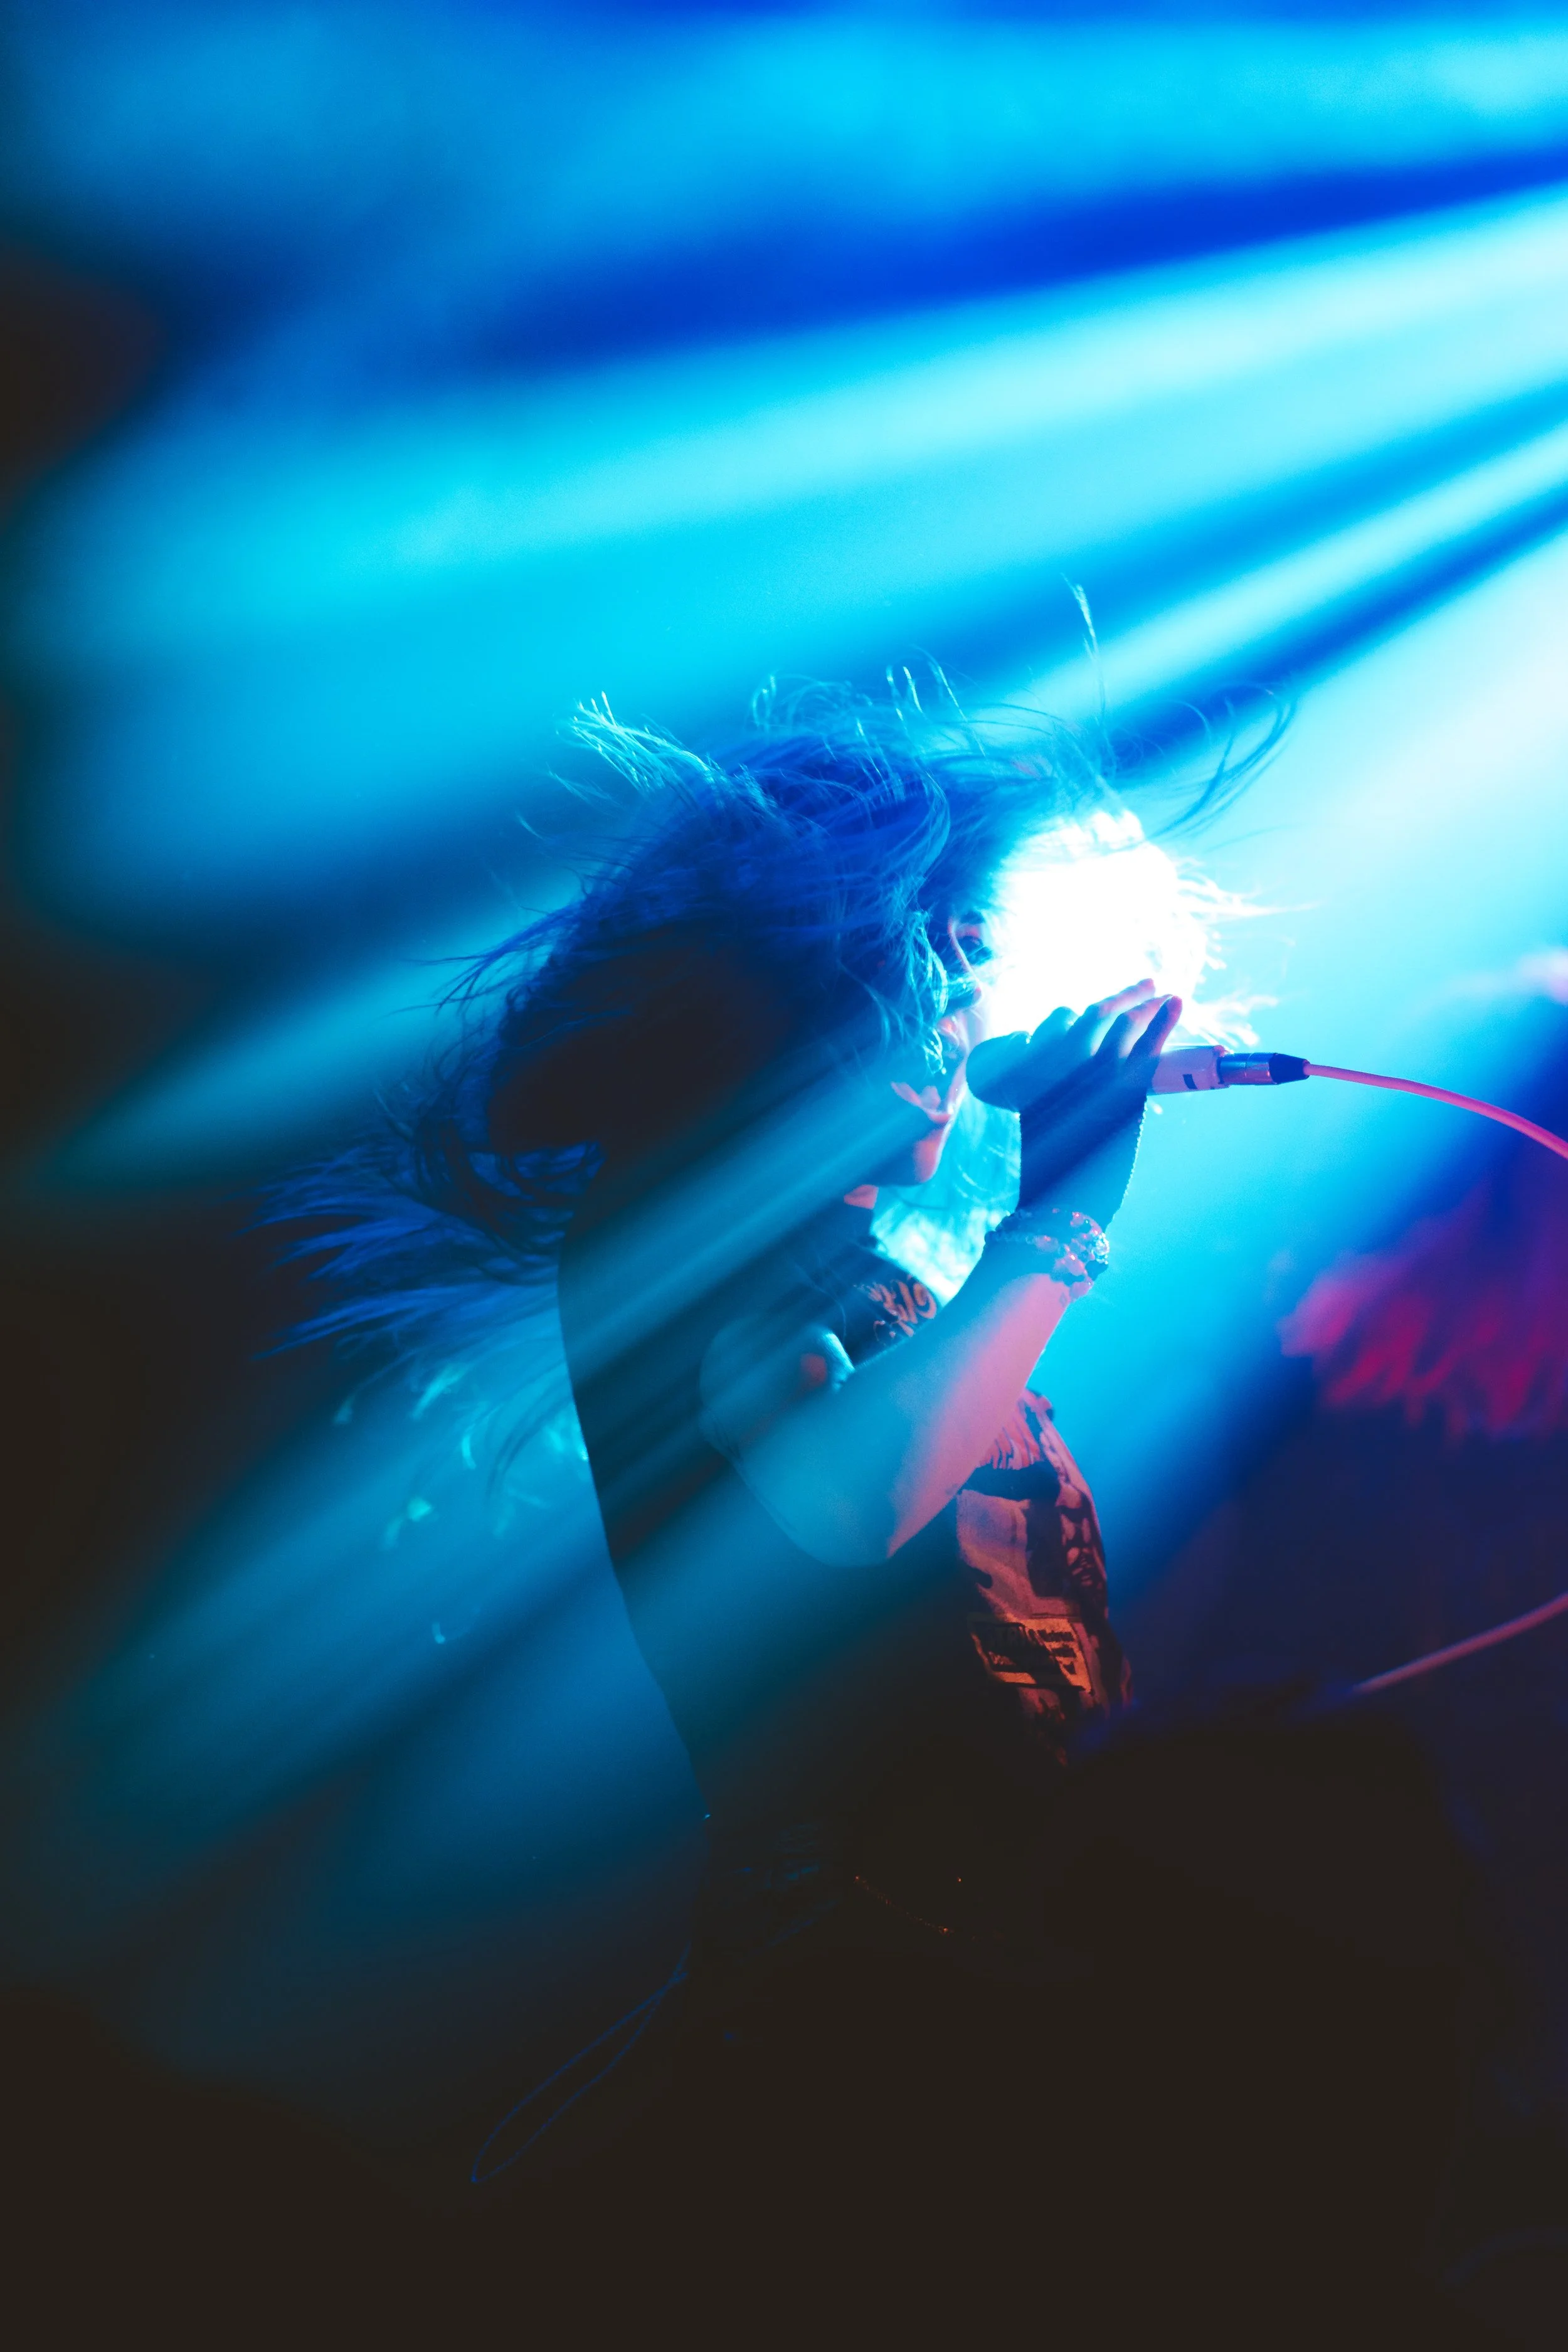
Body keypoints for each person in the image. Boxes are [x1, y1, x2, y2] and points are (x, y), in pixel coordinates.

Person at [285, 684, 1182, 2267]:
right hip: (863, 2017)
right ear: (813, 979)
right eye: (954, 957)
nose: (973, 1013)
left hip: (964, 1965)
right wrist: (1059, 1222)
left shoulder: (852, 1265)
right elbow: (856, 1500)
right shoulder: (681, 1238)